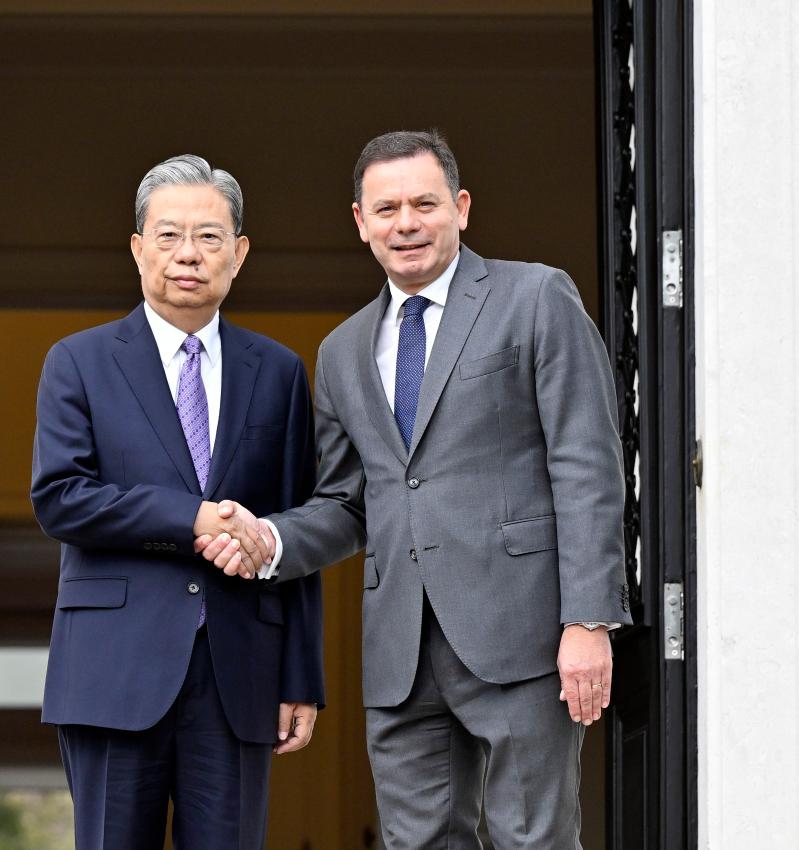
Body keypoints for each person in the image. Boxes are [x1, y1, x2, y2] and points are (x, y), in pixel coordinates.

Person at [197, 130, 633, 849]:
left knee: (533, 839)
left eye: (424, 203)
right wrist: (269, 539)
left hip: (521, 635)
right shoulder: (339, 351)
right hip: (399, 651)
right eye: (387, 207)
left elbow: (584, 462)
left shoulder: (534, 296)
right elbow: (345, 502)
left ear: (460, 208)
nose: (406, 222)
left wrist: (587, 621)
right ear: (360, 222)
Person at [31, 154, 324, 850]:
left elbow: (297, 529)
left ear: (239, 253)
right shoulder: (78, 361)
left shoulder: (278, 371)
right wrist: (188, 517)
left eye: (209, 237)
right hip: (111, 671)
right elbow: (61, 498)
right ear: (137, 248)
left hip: (239, 673)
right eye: (167, 236)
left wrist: (301, 678)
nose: (187, 255)